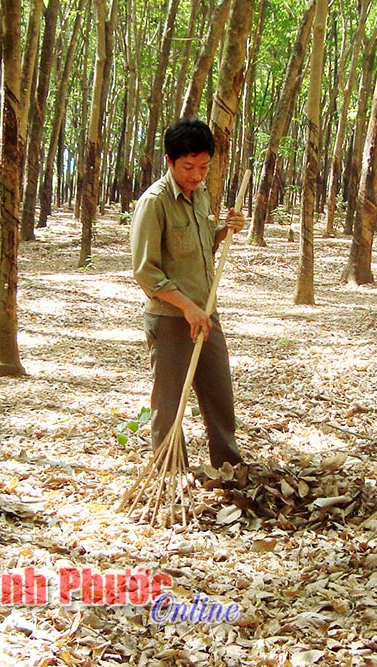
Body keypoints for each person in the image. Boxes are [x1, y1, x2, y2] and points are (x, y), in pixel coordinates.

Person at [131, 118, 247, 470]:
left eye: (204, 167)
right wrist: (186, 307)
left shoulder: (201, 196)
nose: (196, 175)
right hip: (170, 319)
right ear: (168, 161)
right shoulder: (155, 203)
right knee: (169, 404)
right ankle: (170, 472)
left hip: (206, 311)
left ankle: (229, 467)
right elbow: (145, 271)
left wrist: (225, 230)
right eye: (188, 167)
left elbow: (201, 244)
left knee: (219, 395)